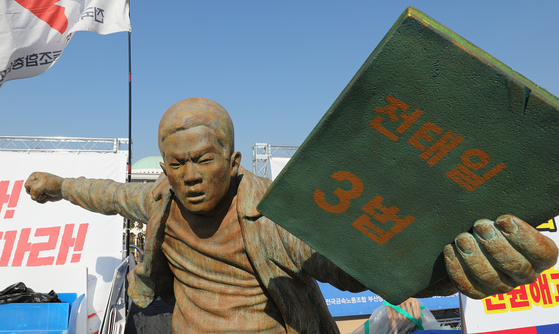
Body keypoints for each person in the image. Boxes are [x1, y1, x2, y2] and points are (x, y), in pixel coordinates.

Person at [25, 98, 558, 333]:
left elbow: (359, 263)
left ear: (233, 162)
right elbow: (109, 193)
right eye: (177, 163)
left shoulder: (280, 215)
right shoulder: (161, 197)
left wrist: (452, 271)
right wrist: (59, 186)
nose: (188, 175)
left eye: (202, 160)